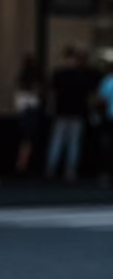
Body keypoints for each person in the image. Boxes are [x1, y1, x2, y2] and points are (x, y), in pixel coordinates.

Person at [46, 47, 98, 182]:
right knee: (72, 142)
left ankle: (52, 168)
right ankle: (68, 170)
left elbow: (52, 93)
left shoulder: (61, 74)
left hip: (64, 111)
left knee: (59, 141)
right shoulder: (81, 74)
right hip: (75, 112)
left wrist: (51, 109)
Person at [14, 54, 43, 176]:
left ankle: (22, 163)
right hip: (29, 110)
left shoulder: (24, 79)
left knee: (26, 138)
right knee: (28, 138)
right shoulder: (32, 80)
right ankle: (23, 164)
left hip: (25, 109)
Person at [97, 60, 113, 187]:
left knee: (108, 145)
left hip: (110, 116)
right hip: (109, 116)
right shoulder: (108, 80)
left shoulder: (108, 80)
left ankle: (106, 172)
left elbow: (102, 99)